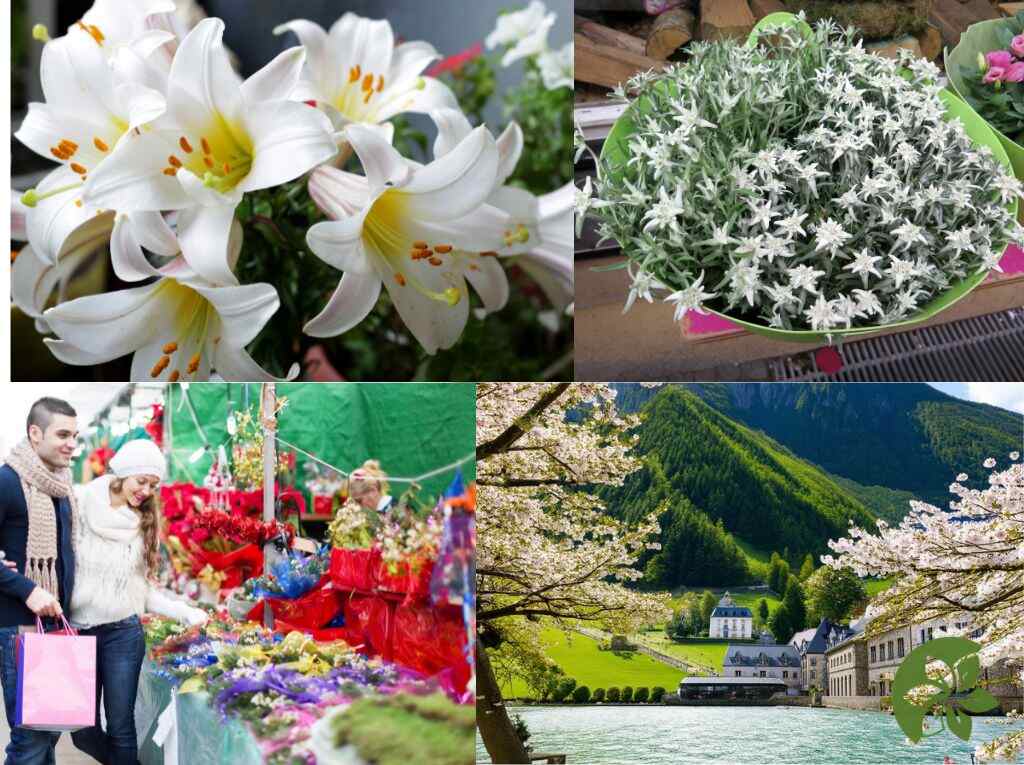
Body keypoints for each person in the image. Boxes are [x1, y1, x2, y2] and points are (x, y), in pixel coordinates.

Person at [69, 438, 207, 765]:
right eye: (141, 480)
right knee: (81, 729)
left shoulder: (143, 523)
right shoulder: (80, 502)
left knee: (120, 726)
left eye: (153, 485)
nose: (146, 490)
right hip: (78, 632)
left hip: (123, 633)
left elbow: (143, 590)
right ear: (123, 473)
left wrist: (184, 612)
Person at [0, 397, 79, 765]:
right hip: (18, 626)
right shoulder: (7, 481)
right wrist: (28, 589)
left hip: (52, 626)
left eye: (75, 436)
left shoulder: (61, 489)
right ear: (35, 433)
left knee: (48, 731)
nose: (72, 444)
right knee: (30, 738)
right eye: (62, 434)